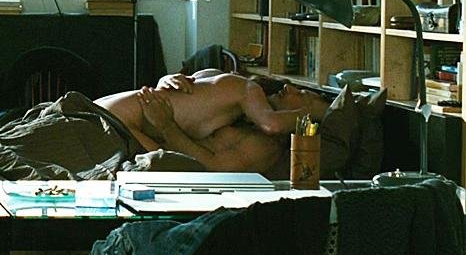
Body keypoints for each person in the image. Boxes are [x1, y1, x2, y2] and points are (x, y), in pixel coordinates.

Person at [94, 69, 331, 172]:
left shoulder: (264, 144)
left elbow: (272, 125)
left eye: (303, 96)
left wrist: (319, 114)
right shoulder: (245, 88)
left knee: (163, 163)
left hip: (111, 112)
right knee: (162, 163)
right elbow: (192, 85)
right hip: (117, 117)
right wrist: (167, 80)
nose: (289, 87)